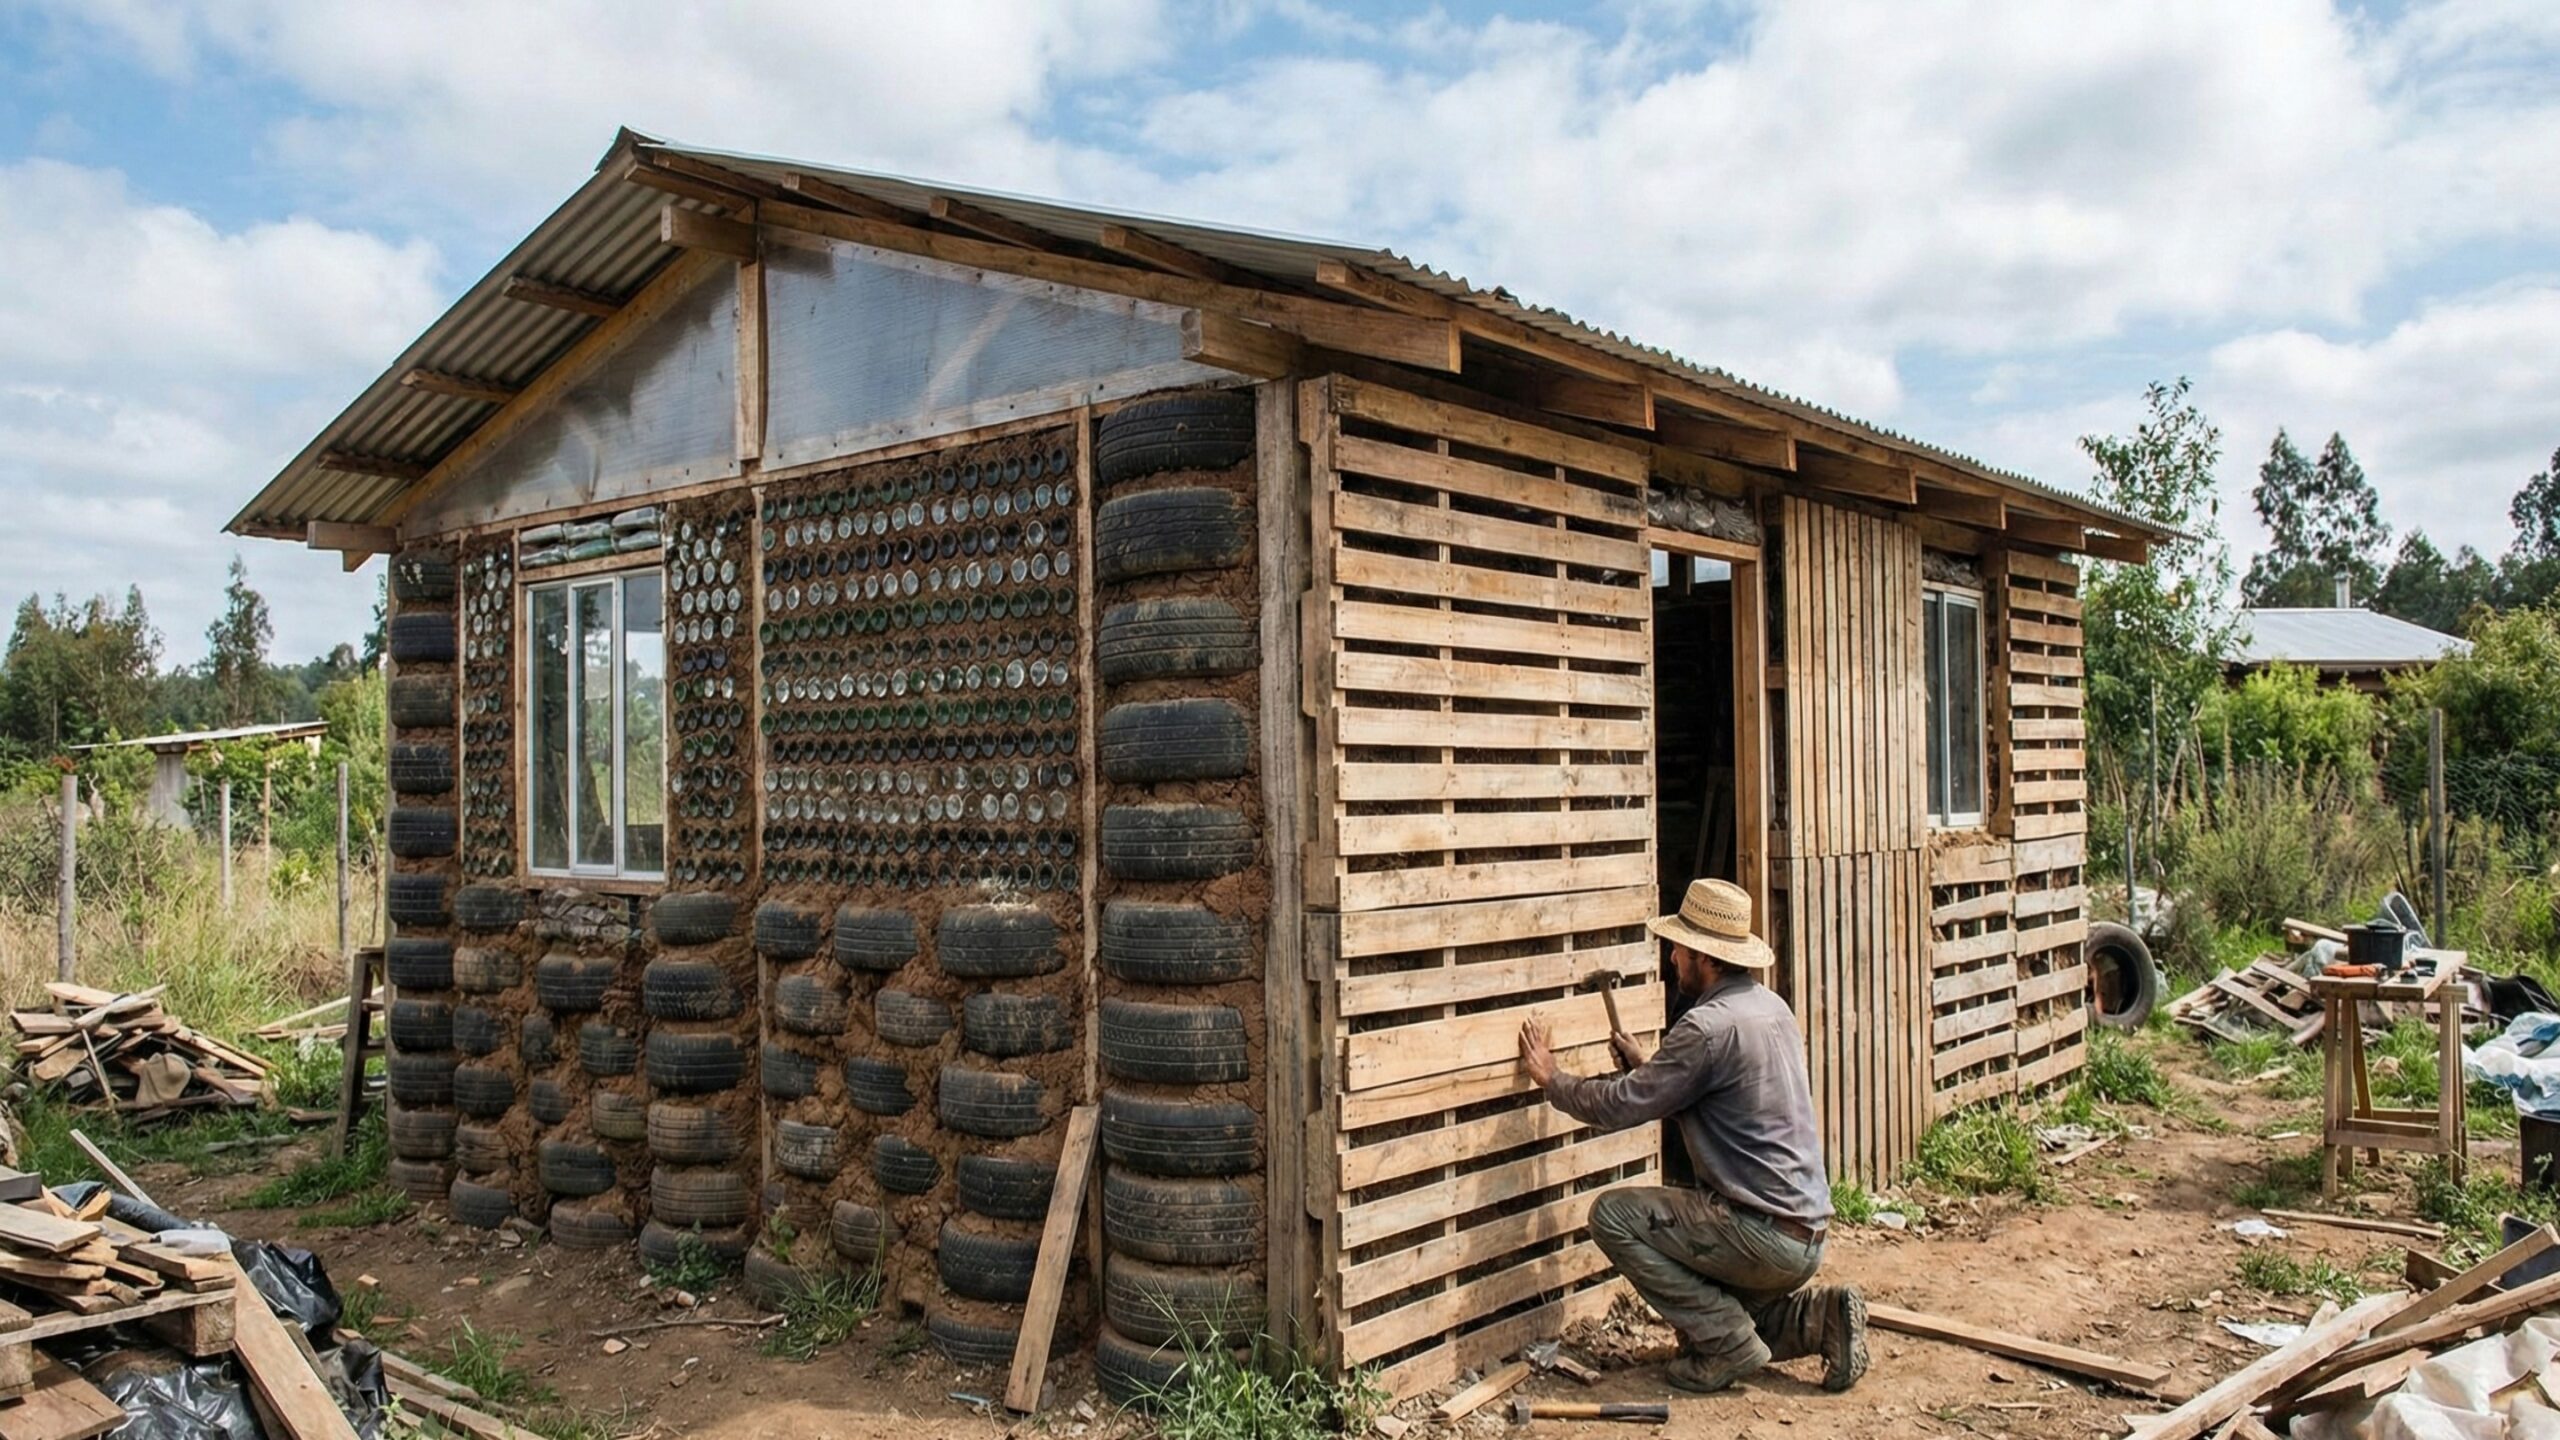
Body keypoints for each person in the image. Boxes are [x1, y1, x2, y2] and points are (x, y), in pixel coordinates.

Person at [1517, 876, 1867, 1396]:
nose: (1672, 958)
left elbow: (1619, 1106)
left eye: (1679, 947)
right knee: (1725, 1312)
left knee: (1613, 1216)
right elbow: (1721, 1102)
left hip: (1760, 1234)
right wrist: (1648, 1066)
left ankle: (1725, 1344)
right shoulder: (1771, 1009)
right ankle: (1823, 1317)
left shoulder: (1705, 1029)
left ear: (1706, 957)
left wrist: (1553, 1078)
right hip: (1806, 1235)